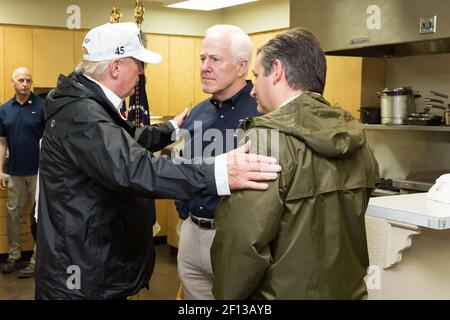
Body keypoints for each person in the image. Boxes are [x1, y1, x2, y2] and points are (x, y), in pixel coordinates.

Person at [35, 22, 281, 300]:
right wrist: (219, 173)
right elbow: (134, 167)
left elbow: (125, 140)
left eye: (214, 59)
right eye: (139, 64)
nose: (141, 73)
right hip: (78, 275)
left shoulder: (86, 105)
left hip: (88, 263)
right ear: (116, 67)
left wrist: (170, 130)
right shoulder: (83, 114)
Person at [211, 27, 379, 300]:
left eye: (256, 76)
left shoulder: (265, 142)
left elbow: (241, 244)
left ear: (276, 71)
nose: (252, 92)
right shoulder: (357, 139)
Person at [175, 24, 259, 300]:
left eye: (215, 59)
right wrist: (184, 213)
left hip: (235, 239)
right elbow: (183, 166)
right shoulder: (197, 112)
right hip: (191, 233)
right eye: (202, 58)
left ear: (241, 66)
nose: (204, 67)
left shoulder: (262, 113)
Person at [0, 67, 44, 278]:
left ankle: (37, 259)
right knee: (13, 214)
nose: (25, 84)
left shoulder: (42, 106)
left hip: (38, 173)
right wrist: (0, 170)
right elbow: (2, 143)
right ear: (13, 82)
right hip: (15, 173)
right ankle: (13, 255)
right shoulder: (4, 109)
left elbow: (50, 141)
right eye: (21, 80)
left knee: (39, 217)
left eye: (28, 80)